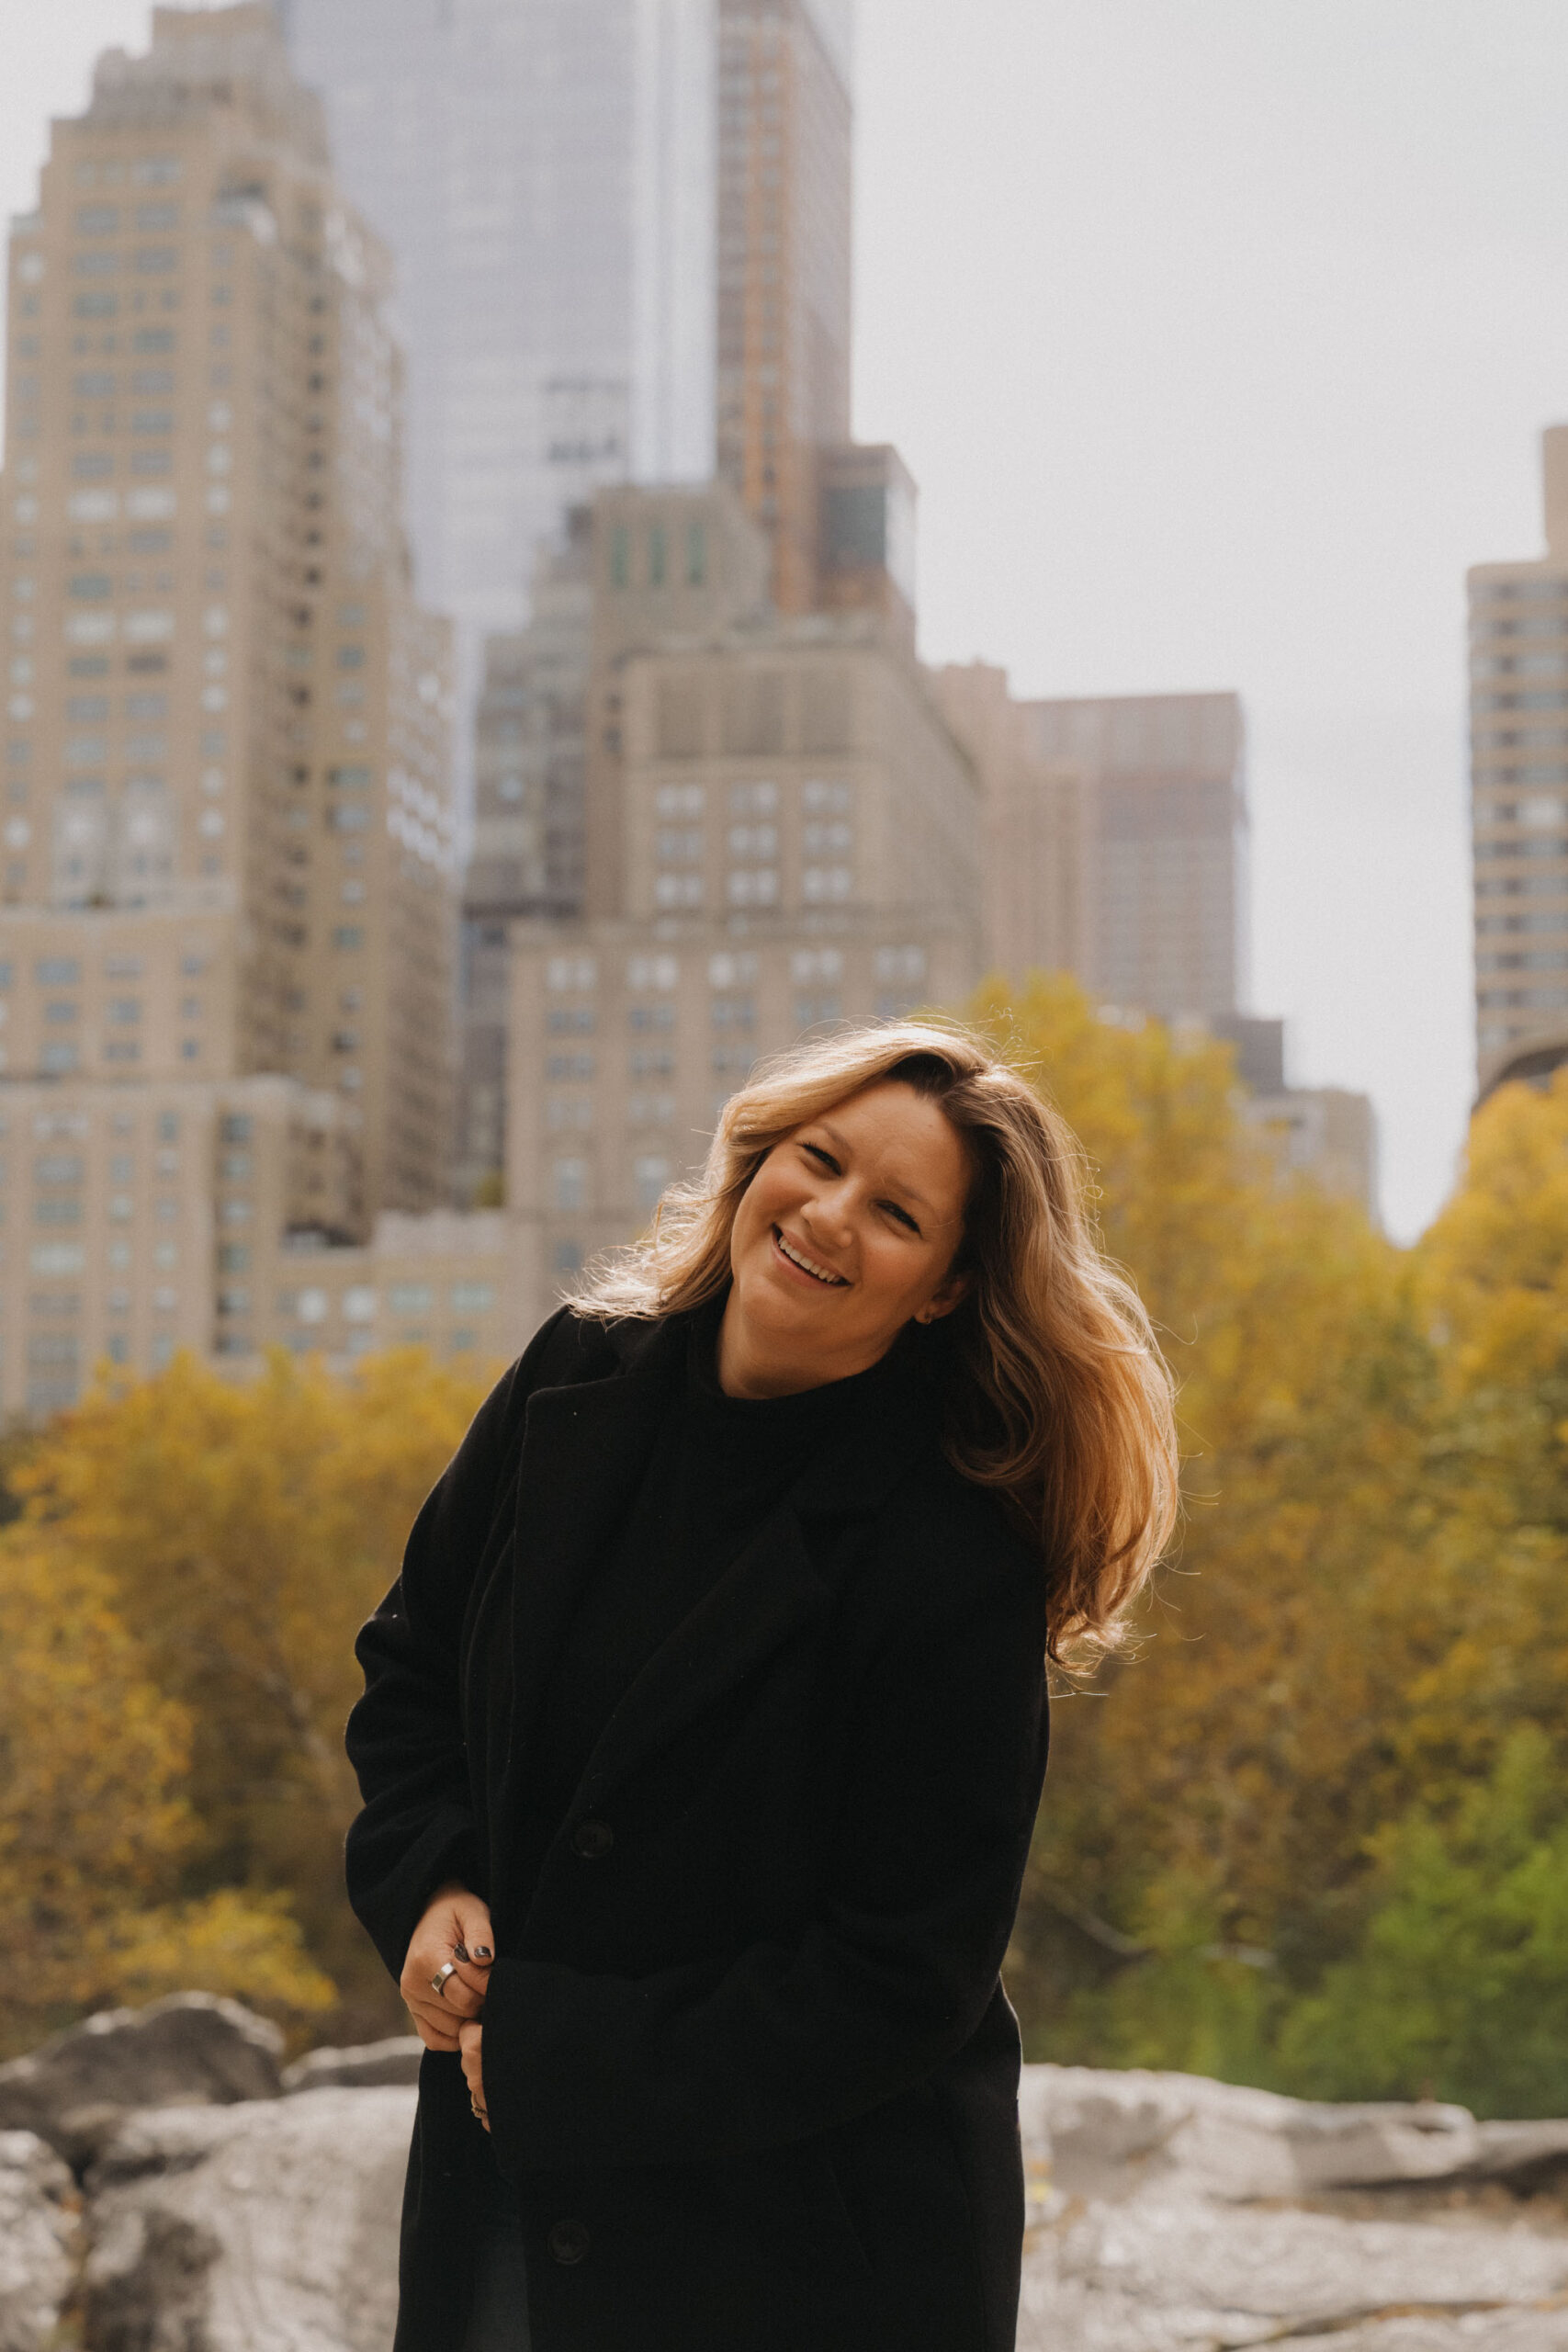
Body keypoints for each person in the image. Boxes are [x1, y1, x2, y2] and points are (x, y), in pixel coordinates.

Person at [344, 1019, 1178, 2352]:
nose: (831, 1216)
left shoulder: (954, 1558)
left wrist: (566, 2057)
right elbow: (412, 1664)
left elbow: (902, 1976)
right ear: (758, 1159)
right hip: (508, 2196)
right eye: (820, 1159)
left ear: (945, 1289)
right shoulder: (574, 1372)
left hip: (805, 2248)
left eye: (897, 1214)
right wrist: (429, 1883)